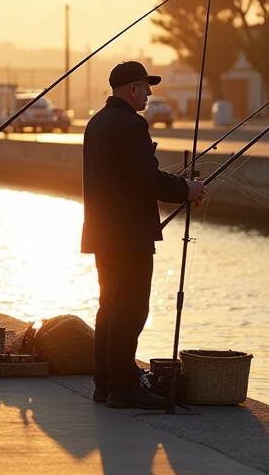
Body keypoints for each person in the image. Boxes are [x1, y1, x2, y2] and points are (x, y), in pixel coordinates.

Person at [81, 60, 207, 410]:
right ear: (132, 89)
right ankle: (123, 386)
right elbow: (146, 180)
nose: (150, 93)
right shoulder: (130, 124)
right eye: (145, 86)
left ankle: (105, 383)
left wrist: (178, 185)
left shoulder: (97, 122)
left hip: (103, 233)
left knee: (109, 307)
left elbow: (129, 174)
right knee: (131, 309)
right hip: (128, 234)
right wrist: (186, 187)